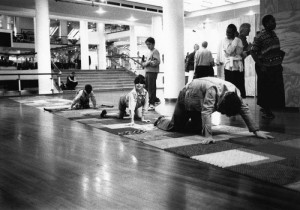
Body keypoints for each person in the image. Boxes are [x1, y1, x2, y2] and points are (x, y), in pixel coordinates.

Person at [154, 77, 273, 144]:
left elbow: (244, 109)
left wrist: (256, 131)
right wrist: (208, 136)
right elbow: (206, 112)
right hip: (186, 98)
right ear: (222, 104)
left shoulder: (235, 93)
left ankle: (190, 123)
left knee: (196, 128)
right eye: (224, 112)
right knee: (175, 127)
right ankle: (161, 120)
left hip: (198, 104)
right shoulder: (213, 91)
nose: (223, 114)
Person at [250, 15, 285, 119]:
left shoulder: (274, 34)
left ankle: (269, 110)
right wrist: (261, 65)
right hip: (265, 67)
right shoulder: (260, 36)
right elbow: (253, 51)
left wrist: (279, 63)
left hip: (275, 66)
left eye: (274, 21)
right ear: (266, 24)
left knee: (275, 89)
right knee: (266, 90)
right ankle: (266, 111)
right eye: (272, 21)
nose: (274, 23)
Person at [222, 24, 245, 97]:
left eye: (230, 32)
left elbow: (239, 52)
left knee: (238, 85)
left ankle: (239, 102)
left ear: (235, 32)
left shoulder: (238, 40)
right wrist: (234, 42)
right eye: (227, 32)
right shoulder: (225, 40)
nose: (227, 34)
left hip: (238, 66)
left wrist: (235, 39)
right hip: (229, 66)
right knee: (229, 86)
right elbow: (229, 51)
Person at [142, 37, 161, 110]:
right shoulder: (149, 52)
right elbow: (147, 62)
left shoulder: (155, 51)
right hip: (148, 71)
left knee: (151, 87)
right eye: (147, 44)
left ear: (153, 44)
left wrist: (149, 63)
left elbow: (157, 62)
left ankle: (152, 103)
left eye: (149, 44)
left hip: (152, 72)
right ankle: (151, 101)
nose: (148, 46)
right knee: (147, 87)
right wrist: (148, 62)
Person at [238, 23, 252, 98]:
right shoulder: (241, 38)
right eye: (249, 29)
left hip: (238, 63)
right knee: (240, 81)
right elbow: (243, 53)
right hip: (238, 63)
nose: (250, 30)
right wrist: (250, 49)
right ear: (244, 29)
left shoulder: (241, 38)